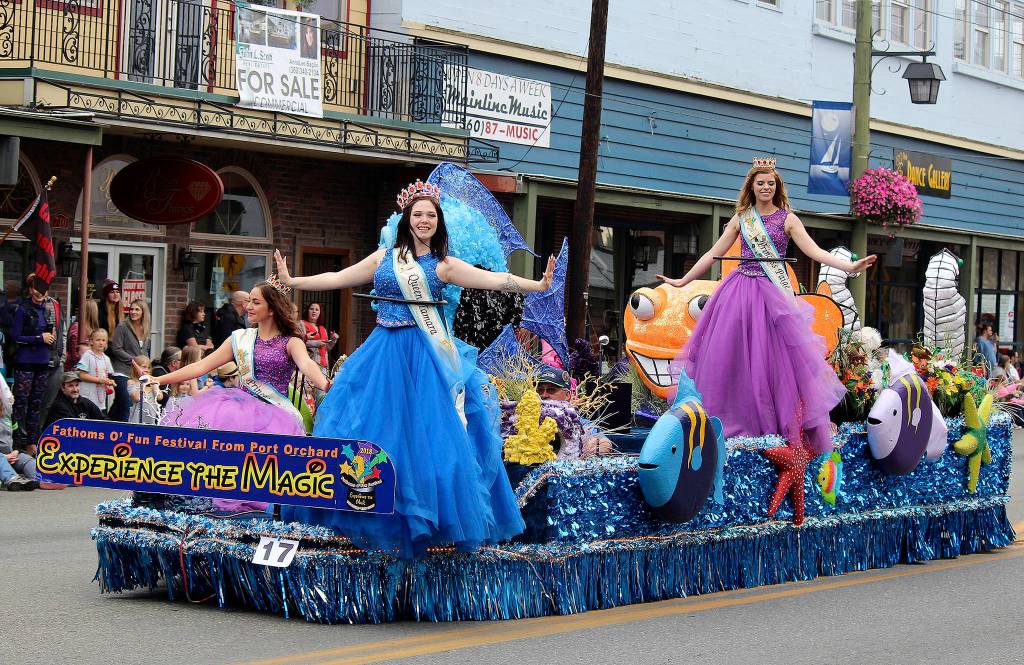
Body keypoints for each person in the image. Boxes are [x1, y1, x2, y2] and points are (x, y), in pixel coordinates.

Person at [271, 180, 554, 558]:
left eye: (430, 215)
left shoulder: (444, 265)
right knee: (374, 429)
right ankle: (365, 505)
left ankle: (418, 517)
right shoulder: (384, 257)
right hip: (383, 353)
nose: (424, 220)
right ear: (407, 220)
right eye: (418, 214)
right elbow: (339, 278)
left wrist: (538, 284)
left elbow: (494, 281)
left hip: (424, 356)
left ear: (438, 222)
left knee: (425, 437)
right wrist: (293, 281)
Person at [656, 159, 876, 454]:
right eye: (760, 183)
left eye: (770, 183)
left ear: (777, 187)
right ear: (751, 187)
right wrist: (683, 280)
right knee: (730, 358)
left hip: (771, 297)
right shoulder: (742, 218)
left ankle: (771, 428)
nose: (765, 187)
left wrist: (849, 267)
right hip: (738, 294)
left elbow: (814, 251)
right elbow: (713, 253)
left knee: (771, 363)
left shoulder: (788, 219)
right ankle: (723, 423)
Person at [10, 275, 63, 453]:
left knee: (37, 403)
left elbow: (57, 331)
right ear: (31, 289)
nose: (39, 292)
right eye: (36, 288)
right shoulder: (22, 309)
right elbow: (16, 337)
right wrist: (39, 338)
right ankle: (17, 439)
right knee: (21, 402)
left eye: (43, 289)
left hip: (43, 361)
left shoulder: (49, 309)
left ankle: (32, 440)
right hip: (25, 361)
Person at [535, 364, 612, 457]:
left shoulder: (581, 423)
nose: (544, 395)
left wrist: (596, 446)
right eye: (540, 390)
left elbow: (604, 444)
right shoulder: (527, 419)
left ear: (567, 395)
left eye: (551, 390)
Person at [109, 299, 151, 421]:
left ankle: (107, 422)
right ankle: (124, 429)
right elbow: (116, 349)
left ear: (143, 312)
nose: (133, 312)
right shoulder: (122, 326)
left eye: (137, 309)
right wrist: (133, 361)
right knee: (126, 404)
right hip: (121, 371)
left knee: (119, 404)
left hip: (136, 374)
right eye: (131, 309)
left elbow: (144, 352)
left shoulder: (146, 329)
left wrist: (145, 367)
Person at [76, 328, 117, 413]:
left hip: (100, 398)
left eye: (103, 340)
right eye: (98, 340)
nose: (101, 343)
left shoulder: (106, 359)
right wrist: (99, 380)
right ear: (91, 341)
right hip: (87, 397)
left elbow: (107, 376)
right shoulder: (87, 355)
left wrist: (110, 382)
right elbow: (81, 375)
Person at [301, 302, 338, 371]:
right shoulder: (301, 324)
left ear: (320, 313)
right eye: (311, 309)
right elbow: (299, 342)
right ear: (307, 311)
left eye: (317, 310)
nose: (314, 311)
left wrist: (333, 339)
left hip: (324, 365)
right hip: (310, 364)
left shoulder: (322, 328)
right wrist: (316, 343)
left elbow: (326, 348)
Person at [66, 299, 99, 372]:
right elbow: (74, 352)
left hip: (88, 368)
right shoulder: (77, 326)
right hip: (75, 369)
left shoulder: (93, 329)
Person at [128, 355, 161, 424]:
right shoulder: (132, 382)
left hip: (151, 420)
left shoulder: (151, 384)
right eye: (144, 367)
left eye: (149, 367)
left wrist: (153, 384)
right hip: (136, 420)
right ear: (135, 368)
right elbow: (137, 398)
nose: (147, 370)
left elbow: (159, 397)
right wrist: (143, 382)